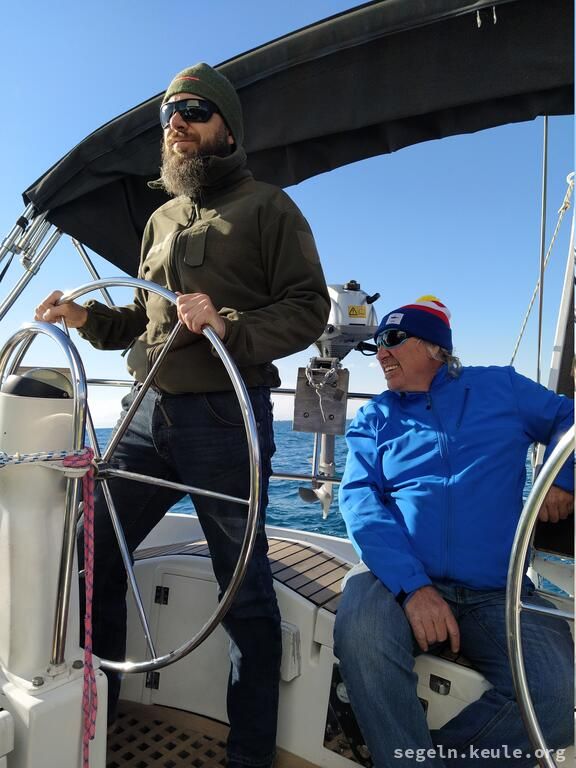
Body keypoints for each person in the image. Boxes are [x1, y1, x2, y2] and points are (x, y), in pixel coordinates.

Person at [35, 62, 330, 768]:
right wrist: (83, 318)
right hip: (146, 417)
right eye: (170, 112)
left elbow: (308, 309)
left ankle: (249, 757)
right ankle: (96, 724)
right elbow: (144, 323)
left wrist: (229, 324)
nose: (177, 122)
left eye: (195, 110)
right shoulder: (159, 220)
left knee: (244, 595)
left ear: (227, 127)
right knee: (94, 557)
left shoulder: (269, 208)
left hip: (225, 421)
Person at [333, 295, 574, 768]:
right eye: (376, 344)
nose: (381, 352)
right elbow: (359, 501)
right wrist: (413, 587)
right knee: (362, 635)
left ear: (435, 347)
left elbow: (570, 417)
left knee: (557, 698)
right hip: (395, 579)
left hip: (496, 590)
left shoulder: (502, 388)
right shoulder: (375, 416)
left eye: (393, 339)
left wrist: (562, 479)